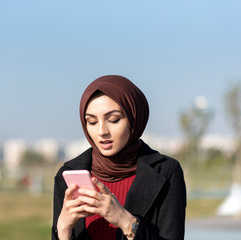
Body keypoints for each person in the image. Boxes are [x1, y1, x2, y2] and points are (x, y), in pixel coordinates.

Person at [52, 75, 186, 240]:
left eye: (113, 120)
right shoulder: (68, 174)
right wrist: (63, 228)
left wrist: (125, 221)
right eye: (92, 122)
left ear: (134, 119)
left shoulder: (166, 172)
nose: (102, 131)